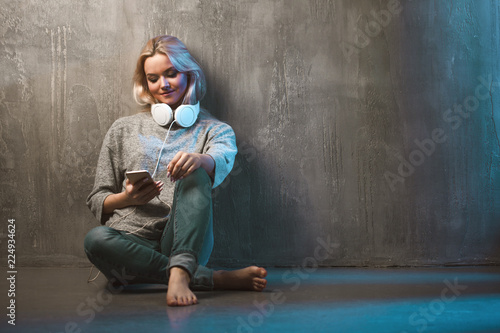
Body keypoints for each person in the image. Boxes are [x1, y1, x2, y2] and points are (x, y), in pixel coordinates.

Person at [84, 35, 267, 307]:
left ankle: (181, 270)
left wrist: (201, 160)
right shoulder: (122, 129)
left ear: (189, 74)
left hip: (183, 242)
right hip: (129, 245)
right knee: (96, 239)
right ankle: (211, 278)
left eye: (171, 74)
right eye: (153, 78)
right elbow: (97, 198)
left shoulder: (215, 130)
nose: (163, 84)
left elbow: (222, 157)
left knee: (195, 171)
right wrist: (128, 199)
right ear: (145, 83)